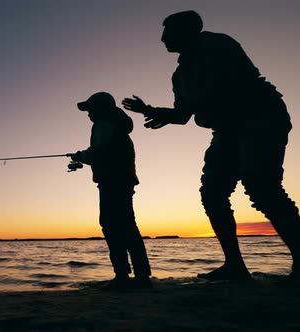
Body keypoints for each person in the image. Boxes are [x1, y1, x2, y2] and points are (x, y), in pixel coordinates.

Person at [122, 10, 300, 283]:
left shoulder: (218, 44)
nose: (162, 39)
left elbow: (227, 87)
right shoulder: (179, 75)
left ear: (187, 30)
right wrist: (151, 111)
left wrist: (180, 110)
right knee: (213, 192)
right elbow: (183, 115)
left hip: (261, 116)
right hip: (226, 130)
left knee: (261, 186)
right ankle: (235, 266)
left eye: (167, 32)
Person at [71, 92, 152, 289]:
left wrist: (81, 156)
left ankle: (123, 276)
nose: (88, 114)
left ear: (101, 108)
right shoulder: (117, 125)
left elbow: (99, 151)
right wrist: (83, 157)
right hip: (122, 180)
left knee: (112, 225)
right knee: (126, 226)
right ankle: (141, 276)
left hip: (112, 181)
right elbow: (105, 152)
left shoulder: (104, 123)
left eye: (90, 109)